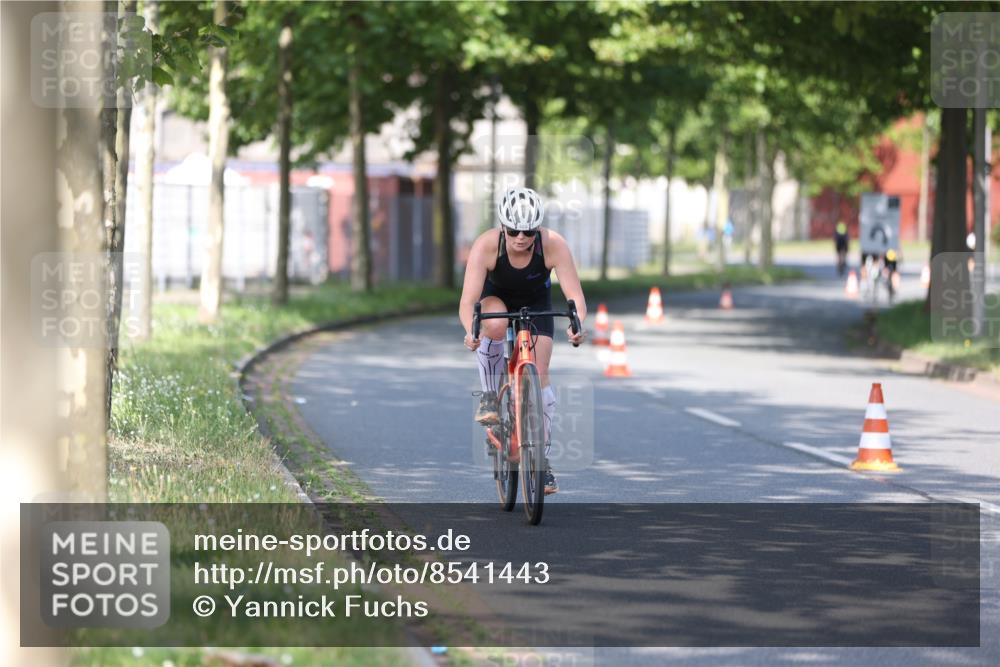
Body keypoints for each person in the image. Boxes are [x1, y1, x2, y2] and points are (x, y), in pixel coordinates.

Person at [459, 187, 588, 495]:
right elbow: (468, 302)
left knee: (540, 375)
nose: (520, 237)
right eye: (514, 230)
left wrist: (577, 324)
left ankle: (540, 461)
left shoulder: (553, 244)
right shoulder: (487, 246)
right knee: (496, 322)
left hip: (536, 304)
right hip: (496, 301)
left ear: (537, 229)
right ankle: (490, 398)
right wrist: (470, 330)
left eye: (528, 231)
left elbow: (575, 297)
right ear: (503, 227)